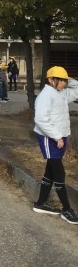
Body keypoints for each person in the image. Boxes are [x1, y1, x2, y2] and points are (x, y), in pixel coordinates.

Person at [32, 66, 78, 223]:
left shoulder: (62, 92)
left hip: (60, 136)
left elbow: (77, 90)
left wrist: (69, 79)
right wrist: (57, 136)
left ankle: (40, 203)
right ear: (50, 79)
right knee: (59, 172)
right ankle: (67, 209)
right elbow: (41, 119)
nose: (64, 83)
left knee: (50, 171)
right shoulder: (45, 95)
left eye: (65, 81)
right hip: (49, 137)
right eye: (60, 80)